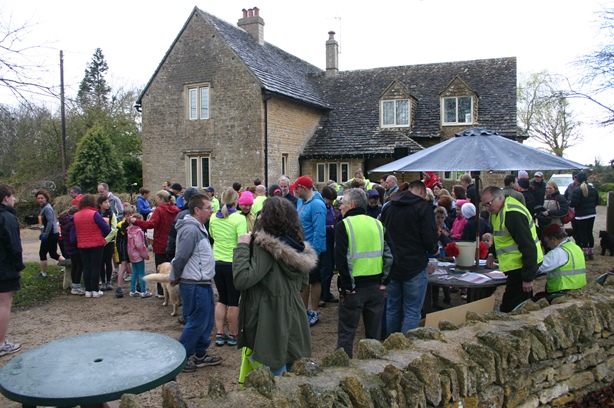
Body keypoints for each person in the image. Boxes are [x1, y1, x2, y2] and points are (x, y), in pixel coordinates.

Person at [233, 196, 316, 380]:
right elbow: (303, 283)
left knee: (275, 372)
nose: (258, 216)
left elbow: (242, 280)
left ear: (269, 219)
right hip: (294, 312)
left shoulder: (265, 247)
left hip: (269, 316)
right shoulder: (298, 246)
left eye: (263, 213)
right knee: (292, 366)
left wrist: (242, 247)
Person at [335, 189, 393, 357]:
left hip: (354, 288)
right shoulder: (378, 224)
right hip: (376, 287)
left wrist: (348, 286)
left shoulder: (344, 225)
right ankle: (373, 366)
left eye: (343, 204)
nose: (340, 207)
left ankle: (343, 367)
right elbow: (390, 255)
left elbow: (341, 259)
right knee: (373, 335)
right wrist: (384, 282)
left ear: (352, 205)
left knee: (346, 334)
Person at [169, 194, 222, 372]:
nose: (211, 211)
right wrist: (175, 276)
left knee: (206, 321)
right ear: (197, 210)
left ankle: (200, 353)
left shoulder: (198, 227)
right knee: (197, 322)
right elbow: (181, 257)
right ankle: (182, 357)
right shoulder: (190, 230)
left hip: (202, 282)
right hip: (194, 283)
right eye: (208, 208)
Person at [380, 180, 438, 335]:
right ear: (422, 192)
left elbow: (381, 233)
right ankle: (407, 346)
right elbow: (429, 237)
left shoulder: (389, 207)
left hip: (392, 265)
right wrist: (434, 249)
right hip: (415, 265)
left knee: (393, 308)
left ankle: (392, 343)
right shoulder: (423, 208)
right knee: (412, 311)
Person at [482, 186, 543, 312]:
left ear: (500, 197)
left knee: (510, 307)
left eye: (489, 203)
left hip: (521, 266)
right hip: (516, 265)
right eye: (484, 205)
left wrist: (527, 278)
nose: (487, 208)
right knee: (522, 304)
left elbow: (528, 246)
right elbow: (500, 237)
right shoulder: (499, 211)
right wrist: (491, 253)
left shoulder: (512, 214)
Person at [209, 188, 246, 347]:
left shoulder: (213, 217)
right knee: (233, 301)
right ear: (236, 202)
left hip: (217, 261)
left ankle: (219, 333)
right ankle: (233, 333)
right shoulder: (239, 218)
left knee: (222, 298)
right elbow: (242, 241)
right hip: (232, 263)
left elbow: (212, 236)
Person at [292, 176, 327, 327]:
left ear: (303, 188)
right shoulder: (301, 201)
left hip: (312, 249)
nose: (295, 190)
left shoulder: (317, 205)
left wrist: (315, 252)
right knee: (303, 281)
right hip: (301, 248)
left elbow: (319, 230)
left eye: (297, 188)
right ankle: (303, 310)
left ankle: (314, 311)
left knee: (314, 280)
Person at [131, 190, 180, 297]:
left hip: (160, 243)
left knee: (160, 269)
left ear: (162, 199)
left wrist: (136, 221)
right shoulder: (176, 210)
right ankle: (175, 292)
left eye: (157, 198)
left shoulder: (159, 210)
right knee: (173, 268)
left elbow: (151, 224)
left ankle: (161, 292)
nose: (156, 200)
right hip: (174, 243)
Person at [0, 183, 24, 356]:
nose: (14, 199)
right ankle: (1, 343)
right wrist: (18, 266)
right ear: (5, 198)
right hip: (4, 267)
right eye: (13, 196)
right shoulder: (7, 217)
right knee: (3, 304)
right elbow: (14, 245)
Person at [73, 194, 111, 298]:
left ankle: (88, 290)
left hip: (82, 243)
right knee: (95, 267)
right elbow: (107, 228)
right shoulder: (95, 214)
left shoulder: (76, 215)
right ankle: (95, 290)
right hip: (96, 243)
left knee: (86, 267)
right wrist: (101, 235)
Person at [535, 223, 586, 299]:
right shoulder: (575, 247)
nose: (547, 245)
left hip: (561, 293)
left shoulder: (558, 252)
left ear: (554, 239)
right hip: (579, 290)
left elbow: (538, 267)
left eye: (546, 242)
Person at [34, 189, 67, 278]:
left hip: (51, 234)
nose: (40, 200)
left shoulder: (47, 208)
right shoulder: (44, 207)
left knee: (42, 253)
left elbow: (50, 222)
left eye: (42, 198)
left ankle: (43, 273)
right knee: (53, 254)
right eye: (38, 198)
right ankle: (69, 265)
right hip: (51, 233)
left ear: (46, 198)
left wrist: (45, 234)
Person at [569, 172, 600, 260]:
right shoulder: (593, 189)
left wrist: (568, 203)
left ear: (578, 179)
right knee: (589, 232)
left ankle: (585, 252)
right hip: (591, 214)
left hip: (581, 215)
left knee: (583, 234)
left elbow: (573, 203)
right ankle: (591, 251)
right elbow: (597, 201)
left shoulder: (577, 190)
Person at [320, 186, 340, 305]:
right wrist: (330, 227)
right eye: (330, 200)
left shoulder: (330, 206)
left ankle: (327, 293)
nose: (331, 202)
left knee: (330, 267)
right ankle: (322, 295)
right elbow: (319, 224)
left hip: (331, 239)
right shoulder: (321, 207)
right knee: (325, 268)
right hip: (324, 240)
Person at [59, 206, 84, 295]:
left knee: (75, 265)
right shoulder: (72, 223)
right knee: (79, 266)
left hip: (69, 247)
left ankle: (74, 284)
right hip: (75, 247)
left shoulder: (64, 222)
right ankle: (76, 285)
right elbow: (73, 238)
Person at [127, 214, 152, 298]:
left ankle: (132, 290)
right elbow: (140, 245)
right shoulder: (138, 231)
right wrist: (145, 255)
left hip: (131, 254)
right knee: (142, 273)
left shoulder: (129, 230)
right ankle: (143, 291)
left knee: (134, 273)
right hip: (138, 255)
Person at [98, 195, 118, 291]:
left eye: (108, 202)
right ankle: (103, 281)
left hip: (109, 241)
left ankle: (109, 281)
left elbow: (114, 229)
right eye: (105, 202)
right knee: (101, 261)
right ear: (100, 204)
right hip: (99, 241)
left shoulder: (111, 214)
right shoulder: (96, 214)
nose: (108, 204)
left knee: (108, 261)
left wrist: (106, 240)